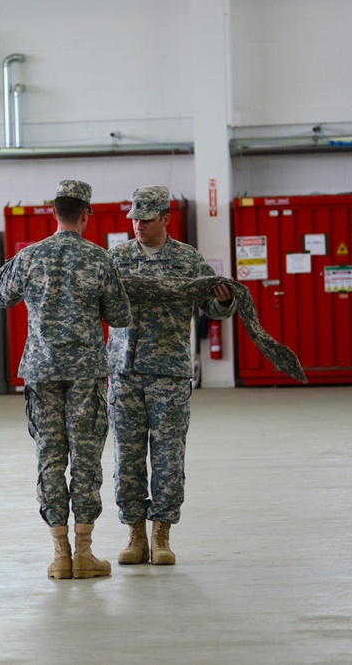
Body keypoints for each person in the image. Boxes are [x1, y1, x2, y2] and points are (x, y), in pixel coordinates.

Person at [0, 179, 131, 580]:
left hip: (41, 370)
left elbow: (0, 296)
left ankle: (60, 555)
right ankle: (85, 553)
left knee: (50, 459)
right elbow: (120, 316)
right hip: (85, 371)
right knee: (85, 460)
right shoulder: (99, 259)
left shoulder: (31, 255)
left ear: (54, 212)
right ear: (86, 214)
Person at [107, 185, 237, 567]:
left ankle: (162, 532)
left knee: (167, 456)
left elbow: (213, 307)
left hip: (169, 372)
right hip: (124, 371)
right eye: (134, 218)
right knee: (127, 456)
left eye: (146, 219)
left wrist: (225, 300)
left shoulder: (187, 259)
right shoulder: (115, 258)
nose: (138, 226)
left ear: (165, 217)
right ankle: (135, 533)